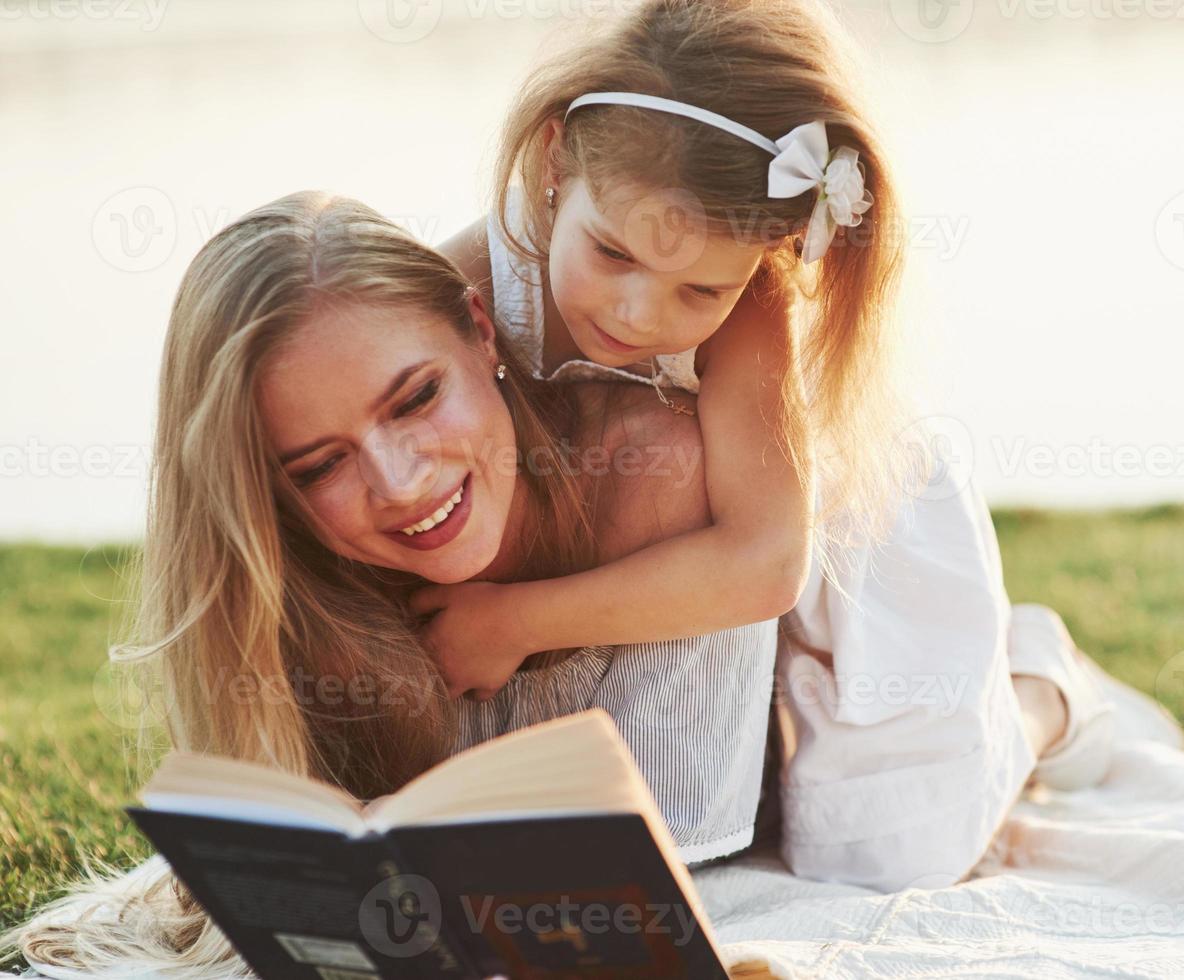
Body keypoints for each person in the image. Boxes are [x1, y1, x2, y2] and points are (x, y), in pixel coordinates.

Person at [423, 0, 1184, 892]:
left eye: (697, 291)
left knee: (902, 846)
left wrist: (516, 621)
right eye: (612, 253)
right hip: (668, 557)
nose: (640, 314)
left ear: (772, 250)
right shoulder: (471, 277)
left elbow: (763, 564)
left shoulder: (754, 311)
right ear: (557, 161)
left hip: (833, 542)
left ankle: (1044, 690)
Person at [5, 192, 781, 975]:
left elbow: (676, 854)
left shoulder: (662, 481)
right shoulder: (306, 579)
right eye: (320, 464)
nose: (401, 484)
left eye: (416, 398)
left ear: (482, 332)